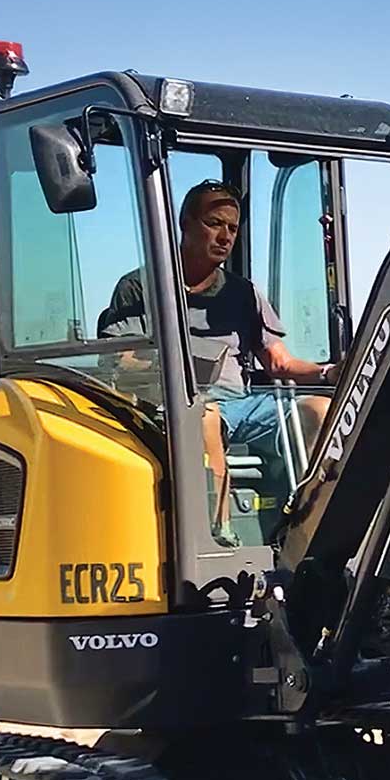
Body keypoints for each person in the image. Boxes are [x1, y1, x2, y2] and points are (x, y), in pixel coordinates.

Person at [99, 180, 332, 543]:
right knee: (202, 414)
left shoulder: (243, 292)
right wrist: (175, 369)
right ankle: (218, 536)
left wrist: (331, 370)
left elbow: (279, 364)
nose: (225, 236)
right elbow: (119, 362)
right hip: (174, 405)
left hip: (243, 406)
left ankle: (309, 534)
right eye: (214, 223)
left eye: (232, 228)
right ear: (185, 223)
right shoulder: (140, 287)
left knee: (320, 411)